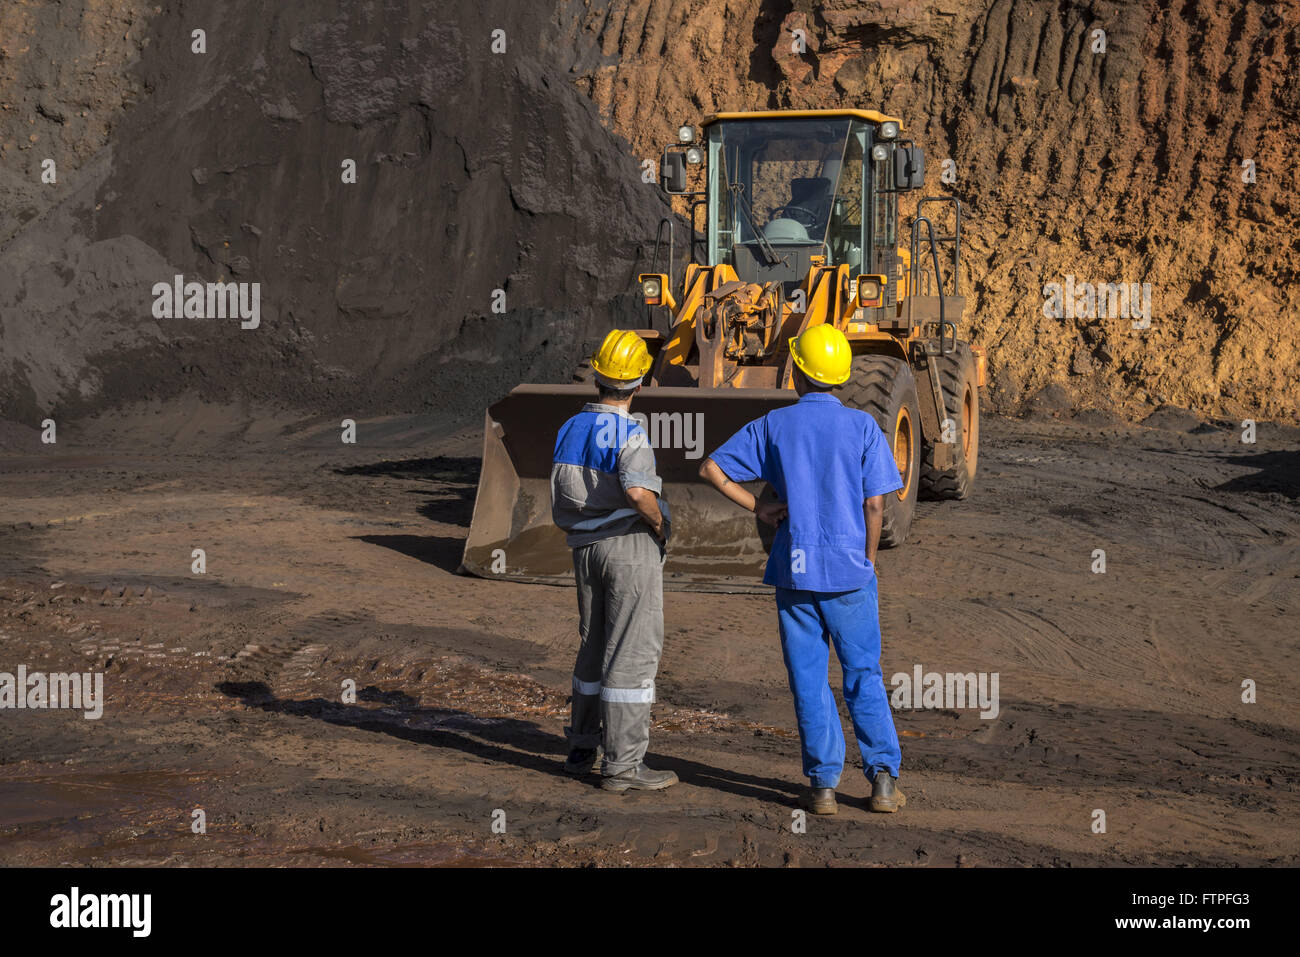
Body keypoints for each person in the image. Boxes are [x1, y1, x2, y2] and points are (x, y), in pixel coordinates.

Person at [698, 323, 905, 814]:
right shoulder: (862, 429)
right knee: (863, 676)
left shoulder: (774, 424)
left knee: (809, 680)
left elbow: (711, 468)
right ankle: (882, 783)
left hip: (794, 574)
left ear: (797, 372)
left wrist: (758, 507)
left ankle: (824, 787)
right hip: (850, 575)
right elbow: (875, 504)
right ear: (839, 377)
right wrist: (869, 560)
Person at [550, 329, 677, 792]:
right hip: (628, 547)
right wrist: (660, 524)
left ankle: (582, 747)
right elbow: (639, 492)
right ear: (640, 382)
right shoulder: (631, 432)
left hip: (584, 550)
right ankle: (623, 766)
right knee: (631, 653)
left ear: (598, 376)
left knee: (593, 647)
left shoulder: (569, 428)